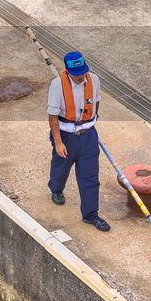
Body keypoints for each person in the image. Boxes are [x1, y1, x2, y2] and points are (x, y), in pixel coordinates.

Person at [47, 51, 109, 232]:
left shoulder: (94, 80)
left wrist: (92, 121)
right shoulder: (57, 85)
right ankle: (56, 189)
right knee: (61, 167)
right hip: (66, 135)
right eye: (77, 73)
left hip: (88, 135)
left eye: (83, 71)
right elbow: (52, 117)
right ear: (68, 71)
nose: (81, 76)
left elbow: (96, 101)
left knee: (90, 177)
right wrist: (58, 142)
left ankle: (91, 215)